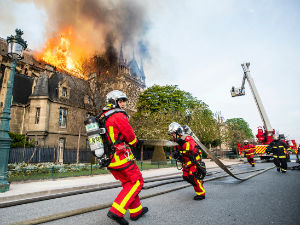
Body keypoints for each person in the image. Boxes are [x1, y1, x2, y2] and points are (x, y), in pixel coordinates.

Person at [99, 90, 148, 225]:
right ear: (113, 102)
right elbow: (129, 134)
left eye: (123, 101)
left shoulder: (103, 116)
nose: (123, 104)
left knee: (128, 183)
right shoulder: (118, 115)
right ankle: (116, 212)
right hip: (121, 158)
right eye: (120, 101)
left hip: (110, 160)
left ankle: (136, 211)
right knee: (137, 182)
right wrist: (136, 143)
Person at [168, 122, 206, 200]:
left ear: (178, 132)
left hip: (194, 161)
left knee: (193, 177)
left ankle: (201, 194)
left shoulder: (187, 138)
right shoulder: (177, 141)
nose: (173, 136)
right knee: (186, 177)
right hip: (186, 162)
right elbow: (180, 152)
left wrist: (183, 143)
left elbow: (190, 147)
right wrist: (177, 155)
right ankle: (198, 183)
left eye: (173, 134)